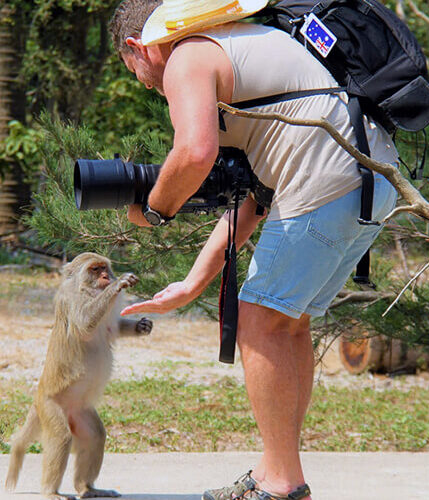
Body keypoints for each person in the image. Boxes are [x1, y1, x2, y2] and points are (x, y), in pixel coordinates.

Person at [109, 0, 399, 498]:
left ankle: (282, 484)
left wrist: (156, 208)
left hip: (327, 182)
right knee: (286, 322)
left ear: (138, 48)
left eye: (132, 70)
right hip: (371, 182)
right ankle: (276, 472)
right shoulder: (237, 42)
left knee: (263, 319)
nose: (143, 83)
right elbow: (254, 201)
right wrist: (191, 283)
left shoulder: (186, 57)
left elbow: (194, 154)